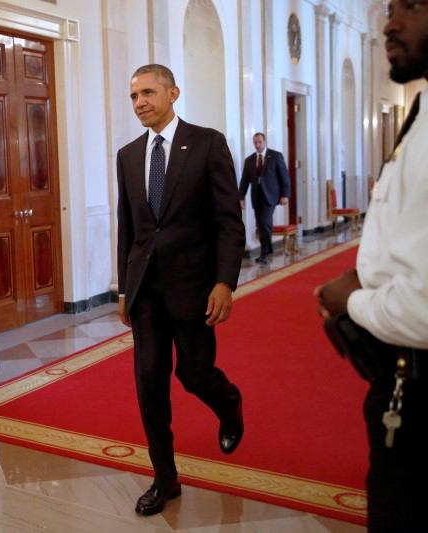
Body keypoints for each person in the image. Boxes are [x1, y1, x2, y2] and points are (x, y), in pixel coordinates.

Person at [313, 2, 428, 530]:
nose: (390, 22)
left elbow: (424, 310)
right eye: (389, 8)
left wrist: (349, 299)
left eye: (413, 5)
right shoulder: (420, 113)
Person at [116, 64, 246, 516]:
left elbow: (228, 220)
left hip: (194, 288)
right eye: (133, 96)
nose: (139, 103)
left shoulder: (207, 144)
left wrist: (225, 281)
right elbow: (128, 229)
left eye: (148, 93)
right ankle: (165, 479)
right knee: (149, 383)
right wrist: (123, 290)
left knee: (194, 374)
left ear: (172, 93)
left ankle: (230, 404)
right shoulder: (128, 155)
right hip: (146, 293)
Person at [238, 133, 290, 265]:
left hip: (271, 196)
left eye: (260, 142)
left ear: (265, 142)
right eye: (255, 142)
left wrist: (285, 195)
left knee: (265, 223)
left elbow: (284, 177)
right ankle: (269, 248)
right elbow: (244, 181)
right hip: (257, 197)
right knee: (260, 224)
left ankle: (264, 252)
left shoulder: (275, 156)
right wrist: (241, 197)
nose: (257, 145)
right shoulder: (249, 160)